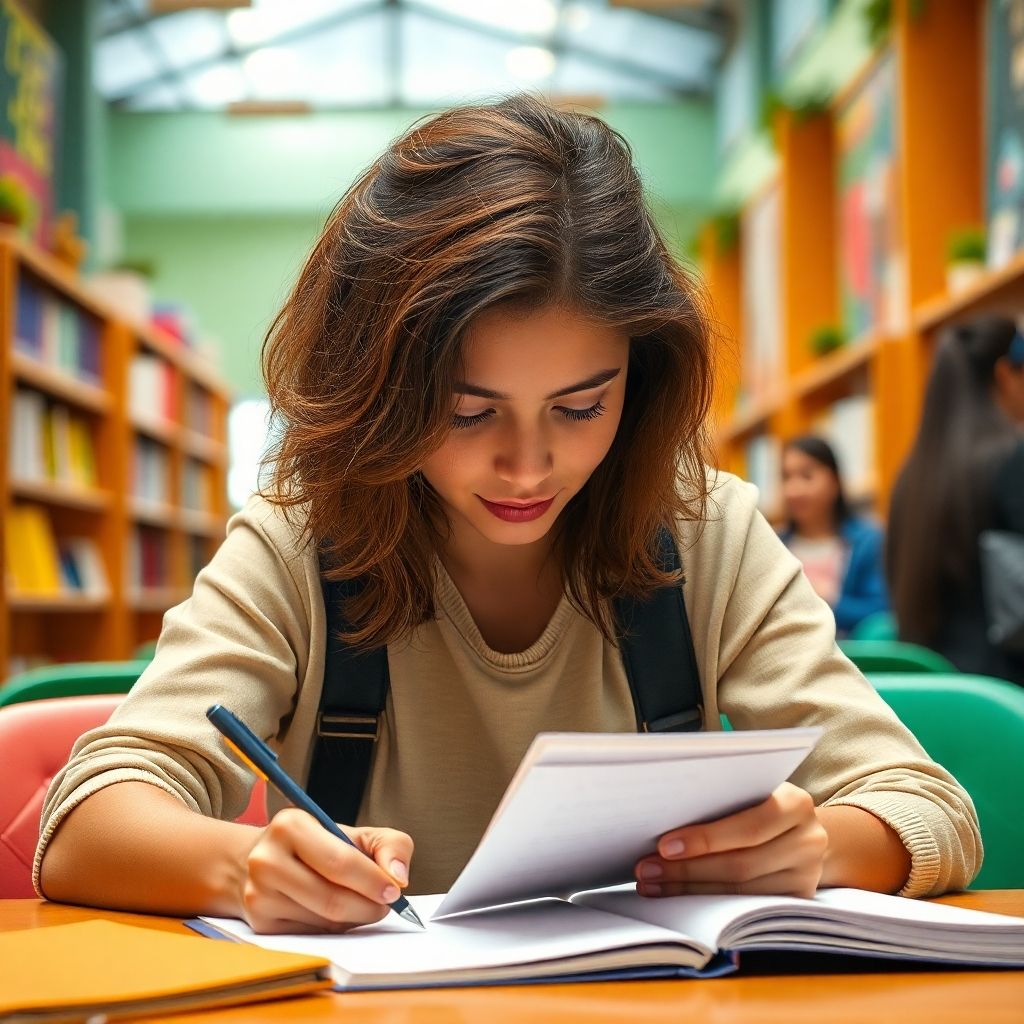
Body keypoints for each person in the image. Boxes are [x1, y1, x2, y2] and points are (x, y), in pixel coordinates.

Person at [36, 96, 979, 935]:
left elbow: (927, 808)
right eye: (466, 411)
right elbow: (85, 820)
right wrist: (245, 869)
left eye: (581, 407)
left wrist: (817, 845)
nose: (528, 465)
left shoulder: (705, 529)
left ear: (640, 381)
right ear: (377, 387)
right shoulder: (298, 537)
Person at [888, 316, 1024, 685]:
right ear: (1005, 375)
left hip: (935, 697)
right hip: (1007, 698)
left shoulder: (909, 477)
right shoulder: (1012, 460)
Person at [779, 436, 889, 637]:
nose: (793, 489)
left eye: (807, 476)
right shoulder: (773, 545)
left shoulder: (869, 541)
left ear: (835, 481)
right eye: (786, 477)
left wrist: (830, 598)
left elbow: (881, 613)